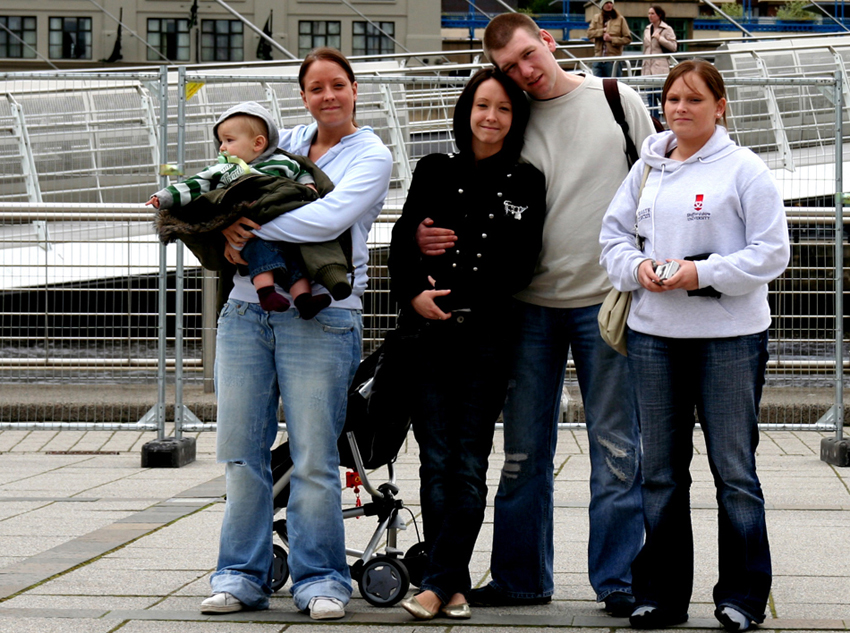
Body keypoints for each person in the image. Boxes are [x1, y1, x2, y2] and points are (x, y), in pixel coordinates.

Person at [416, 12, 654, 617]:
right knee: (523, 452)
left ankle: (620, 580)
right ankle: (521, 577)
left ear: (548, 42)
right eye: (509, 68)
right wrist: (422, 238)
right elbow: (476, 189)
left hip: (606, 301)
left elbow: (657, 182)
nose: (525, 72)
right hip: (525, 309)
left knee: (616, 448)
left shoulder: (615, 98)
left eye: (529, 55)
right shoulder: (514, 121)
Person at [199, 47, 393, 620]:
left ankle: (322, 580)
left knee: (313, 456)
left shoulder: (371, 154)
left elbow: (328, 218)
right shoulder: (281, 142)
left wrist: (242, 227)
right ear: (302, 95)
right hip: (244, 312)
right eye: (315, 88)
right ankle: (239, 576)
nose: (327, 96)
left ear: (355, 90)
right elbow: (229, 187)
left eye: (338, 85)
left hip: (323, 316)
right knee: (241, 451)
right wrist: (224, 223)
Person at [599, 60, 789, 631]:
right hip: (656, 337)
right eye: (671, 99)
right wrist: (639, 268)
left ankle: (743, 596)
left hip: (730, 339)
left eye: (693, 100)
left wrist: (697, 274)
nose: (679, 109)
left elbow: (771, 253)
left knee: (734, 472)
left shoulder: (745, 171)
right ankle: (661, 594)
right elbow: (611, 240)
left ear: (720, 106)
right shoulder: (647, 169)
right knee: (658, 471)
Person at [389, 67, 545, 621]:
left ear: (515, 119)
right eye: (482, 105)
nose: (491, 117)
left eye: (503, 109)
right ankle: (448, 584)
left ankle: (438, 582)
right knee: (435, 458)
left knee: (469, 461)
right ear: (466, 111)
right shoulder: (434, 169)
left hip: (487, 337)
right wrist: (413, 294)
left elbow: (521, 263)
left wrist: (462, 294)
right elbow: (401, 241)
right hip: (428, 333)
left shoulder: (526, 181)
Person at [148, 101, 349, 320]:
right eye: (221, 141)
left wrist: (309, 187)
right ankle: (266, 292)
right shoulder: (224, 170)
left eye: (229, 140)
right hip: (253, 226)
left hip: (283, 224)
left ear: (258, 143)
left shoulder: (283, 161)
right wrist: (164, 197)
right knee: (258, 249)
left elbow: (301, 173)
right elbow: (195, 185)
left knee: (296, 260)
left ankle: (303, 299)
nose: (222, 147)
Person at [641, 6, 677, 117]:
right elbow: (645, 48)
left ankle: (669, 121)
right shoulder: (647, 29)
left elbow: (673, 46)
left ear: (659, 15)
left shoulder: (667, 29)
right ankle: (655, 125)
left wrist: (660, 38)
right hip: (648, 68)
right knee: (651, 100)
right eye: (649, 13)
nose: (650, 16)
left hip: (660, 69)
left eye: (652, 13)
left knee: (662, 97)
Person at [587, 0, 632, 78]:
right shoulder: (596, 18)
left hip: (612, 60)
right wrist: (602, 32)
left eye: (611, 3)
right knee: (598, 85)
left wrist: (611, 39)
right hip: (598, 58)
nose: (609, 5)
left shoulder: (620, 19)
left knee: (614, 85)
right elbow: (589, 34)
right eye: (606, 3)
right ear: (602, 5)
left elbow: (627, 39)